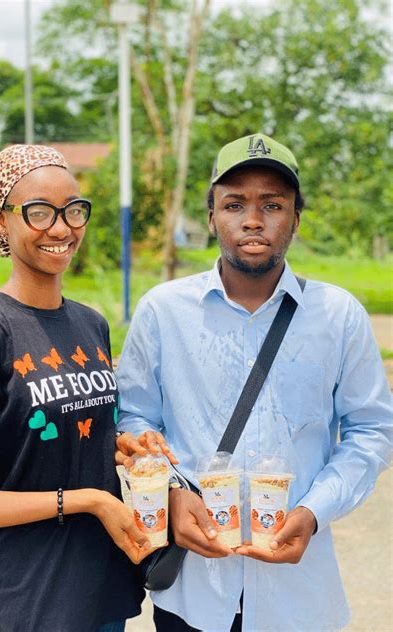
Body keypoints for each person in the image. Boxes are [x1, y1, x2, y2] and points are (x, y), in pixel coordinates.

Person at [115, 133, 392, 631]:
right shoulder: (162, 311)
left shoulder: (338, 316)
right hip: (194, 593)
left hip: (301, 598)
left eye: (272, 204)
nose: (252, 219)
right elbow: (134, 418)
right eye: (234, 203)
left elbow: (371, 431)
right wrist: (174, 493)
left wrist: (313, 510)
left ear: (295, 219)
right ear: (211, 218)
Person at [0, 144, 153, 632]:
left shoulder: (91, 324)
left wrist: (119, 447)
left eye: (74, 209)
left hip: (104, 586)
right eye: (39, 212)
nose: (62, 227)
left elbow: (57, 435)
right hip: (34, 597)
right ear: (2, 222)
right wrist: (86, 500)